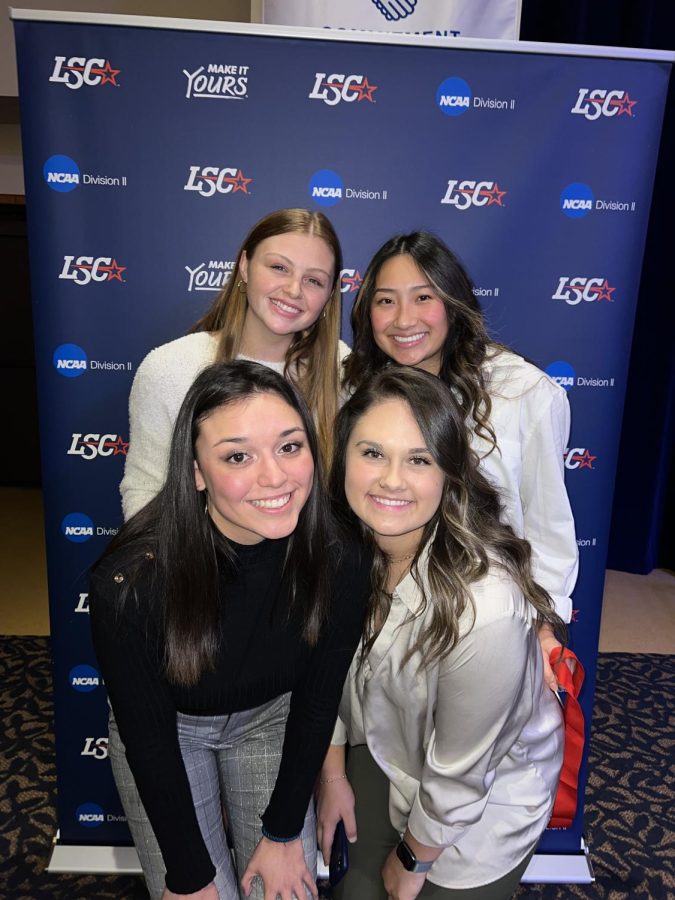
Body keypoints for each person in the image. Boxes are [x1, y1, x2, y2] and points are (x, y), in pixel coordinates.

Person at [90, 361, 371, 900]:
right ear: (196, 471)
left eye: (289, 447)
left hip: (271, 720)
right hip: (169, 735)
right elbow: (148, 740)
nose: (274, 476)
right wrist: (190, 880)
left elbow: (317, 702)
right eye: (238, 456)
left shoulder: (341, 557)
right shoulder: (130, 582)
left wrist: (286, 832)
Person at [317, 367, 566, 899]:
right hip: (391, 745)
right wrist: (332, 771)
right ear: (343, 459)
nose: (390, 480)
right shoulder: (341, 552)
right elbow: (326, 674)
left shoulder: (486, 606)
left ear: (450, 474)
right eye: (372, 453)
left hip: (483, 797)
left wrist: (411, 860)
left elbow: (461, 773)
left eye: (419, 459)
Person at [342, 231, 578, 688]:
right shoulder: (353, 389)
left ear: (453, 303)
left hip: (481, 619)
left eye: (423, 297)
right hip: (375, 613)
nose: (403, 319)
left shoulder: (524, 393)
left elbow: (549, 526)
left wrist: (543, 626)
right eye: (386, 301)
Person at [120, 207, 348, 520]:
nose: (294, 289)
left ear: (330, 294)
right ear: (244, 266)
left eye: (313, 280)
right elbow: (146, 491)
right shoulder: (170, 368)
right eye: (279, 267)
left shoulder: (343, 369)